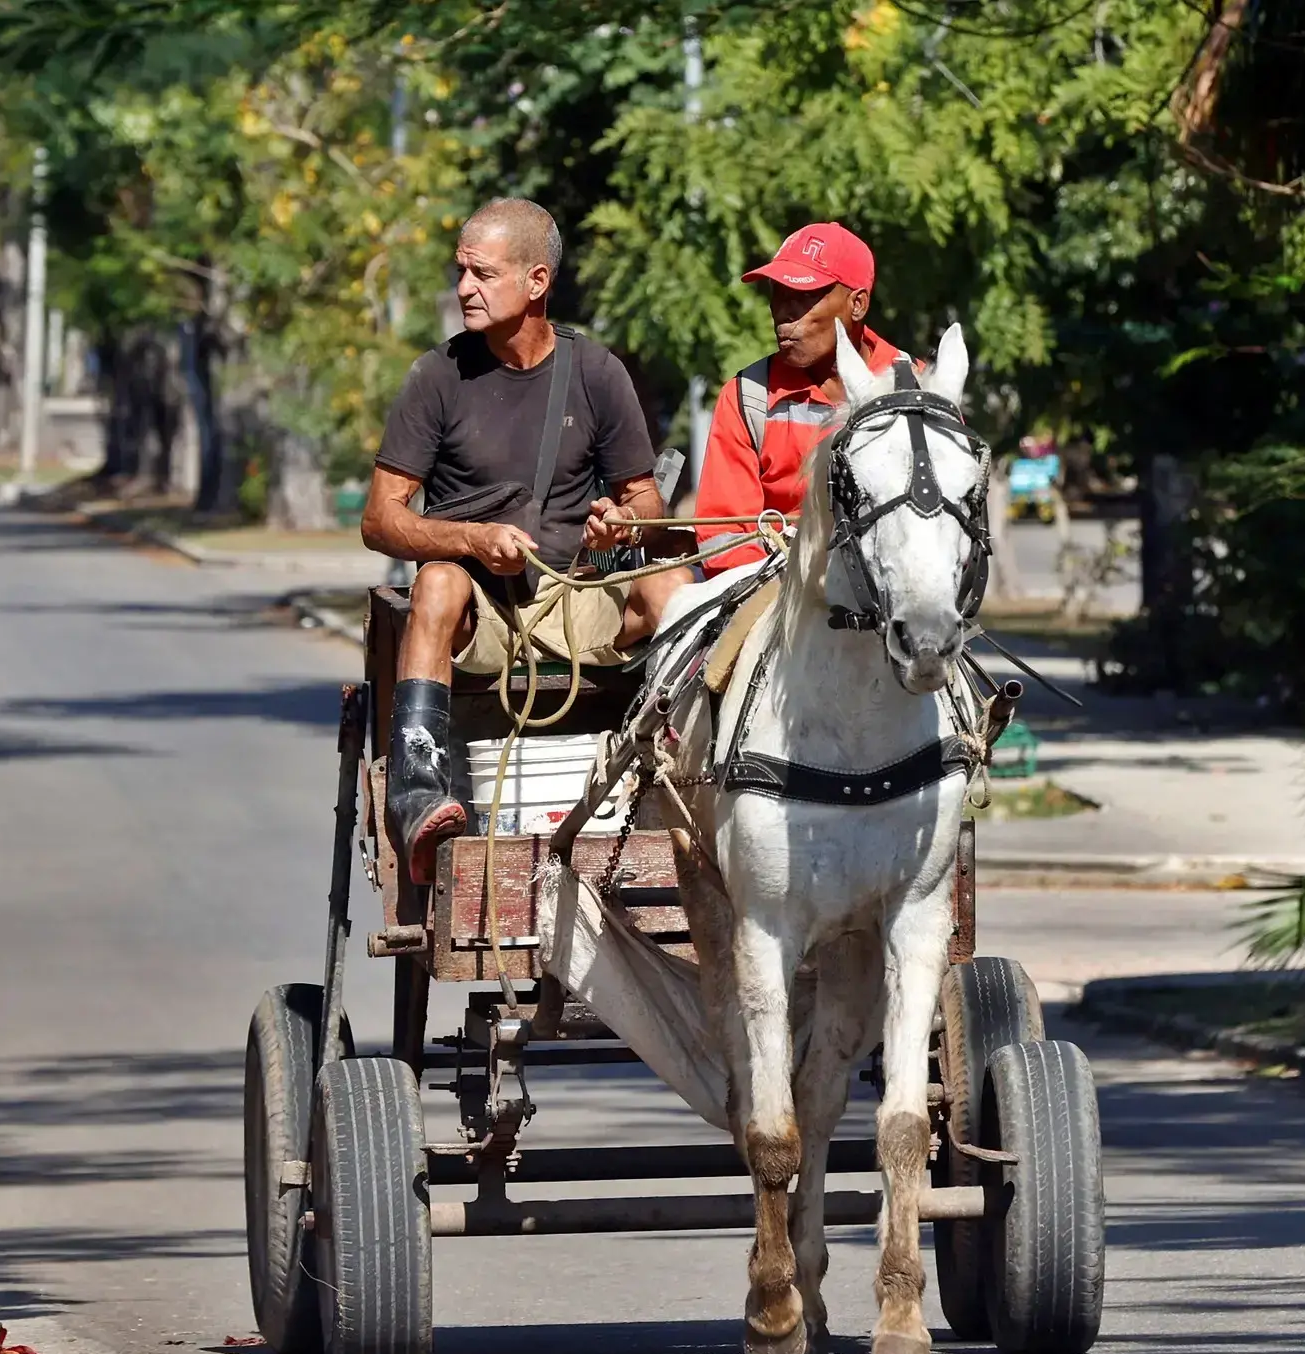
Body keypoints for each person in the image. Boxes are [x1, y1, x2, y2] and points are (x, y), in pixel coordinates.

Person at [362, 197, 691, 883]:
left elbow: (644, 502)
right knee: (437, 580)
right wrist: (472, 541)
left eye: (482, 274)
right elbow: (380, 520)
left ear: (536, 282)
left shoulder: (596, 373)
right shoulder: (437, 377)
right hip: (480, 612)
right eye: (462, 273)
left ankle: (685, 778)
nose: (463, 290)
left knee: (673, 585)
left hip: (578, 598)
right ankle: (420, 793)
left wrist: (625, 524)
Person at [692, 222, 914, 573]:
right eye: (777, 293)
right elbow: (725, 537)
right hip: (775, 604)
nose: (784, 312)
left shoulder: (914, 392)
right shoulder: (747, 397)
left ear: (857, 304)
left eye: (804, 296)